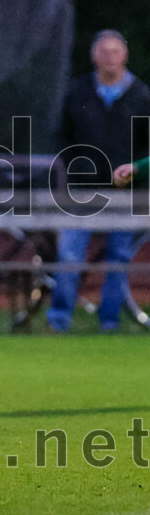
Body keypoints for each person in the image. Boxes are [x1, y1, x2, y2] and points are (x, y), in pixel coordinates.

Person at [48, 29, 150, 332]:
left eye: (115, 51)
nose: (110, 58)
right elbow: (62, 137)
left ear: (125, 55)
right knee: (69, 255)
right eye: (104, 52)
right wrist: (77, 168)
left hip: (126, 192)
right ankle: (59, 320)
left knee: (119, 257)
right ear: (94, 56)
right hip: (82, 190)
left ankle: (109, 320)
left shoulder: (141, 95)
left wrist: (135, 170)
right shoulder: (77, 91)